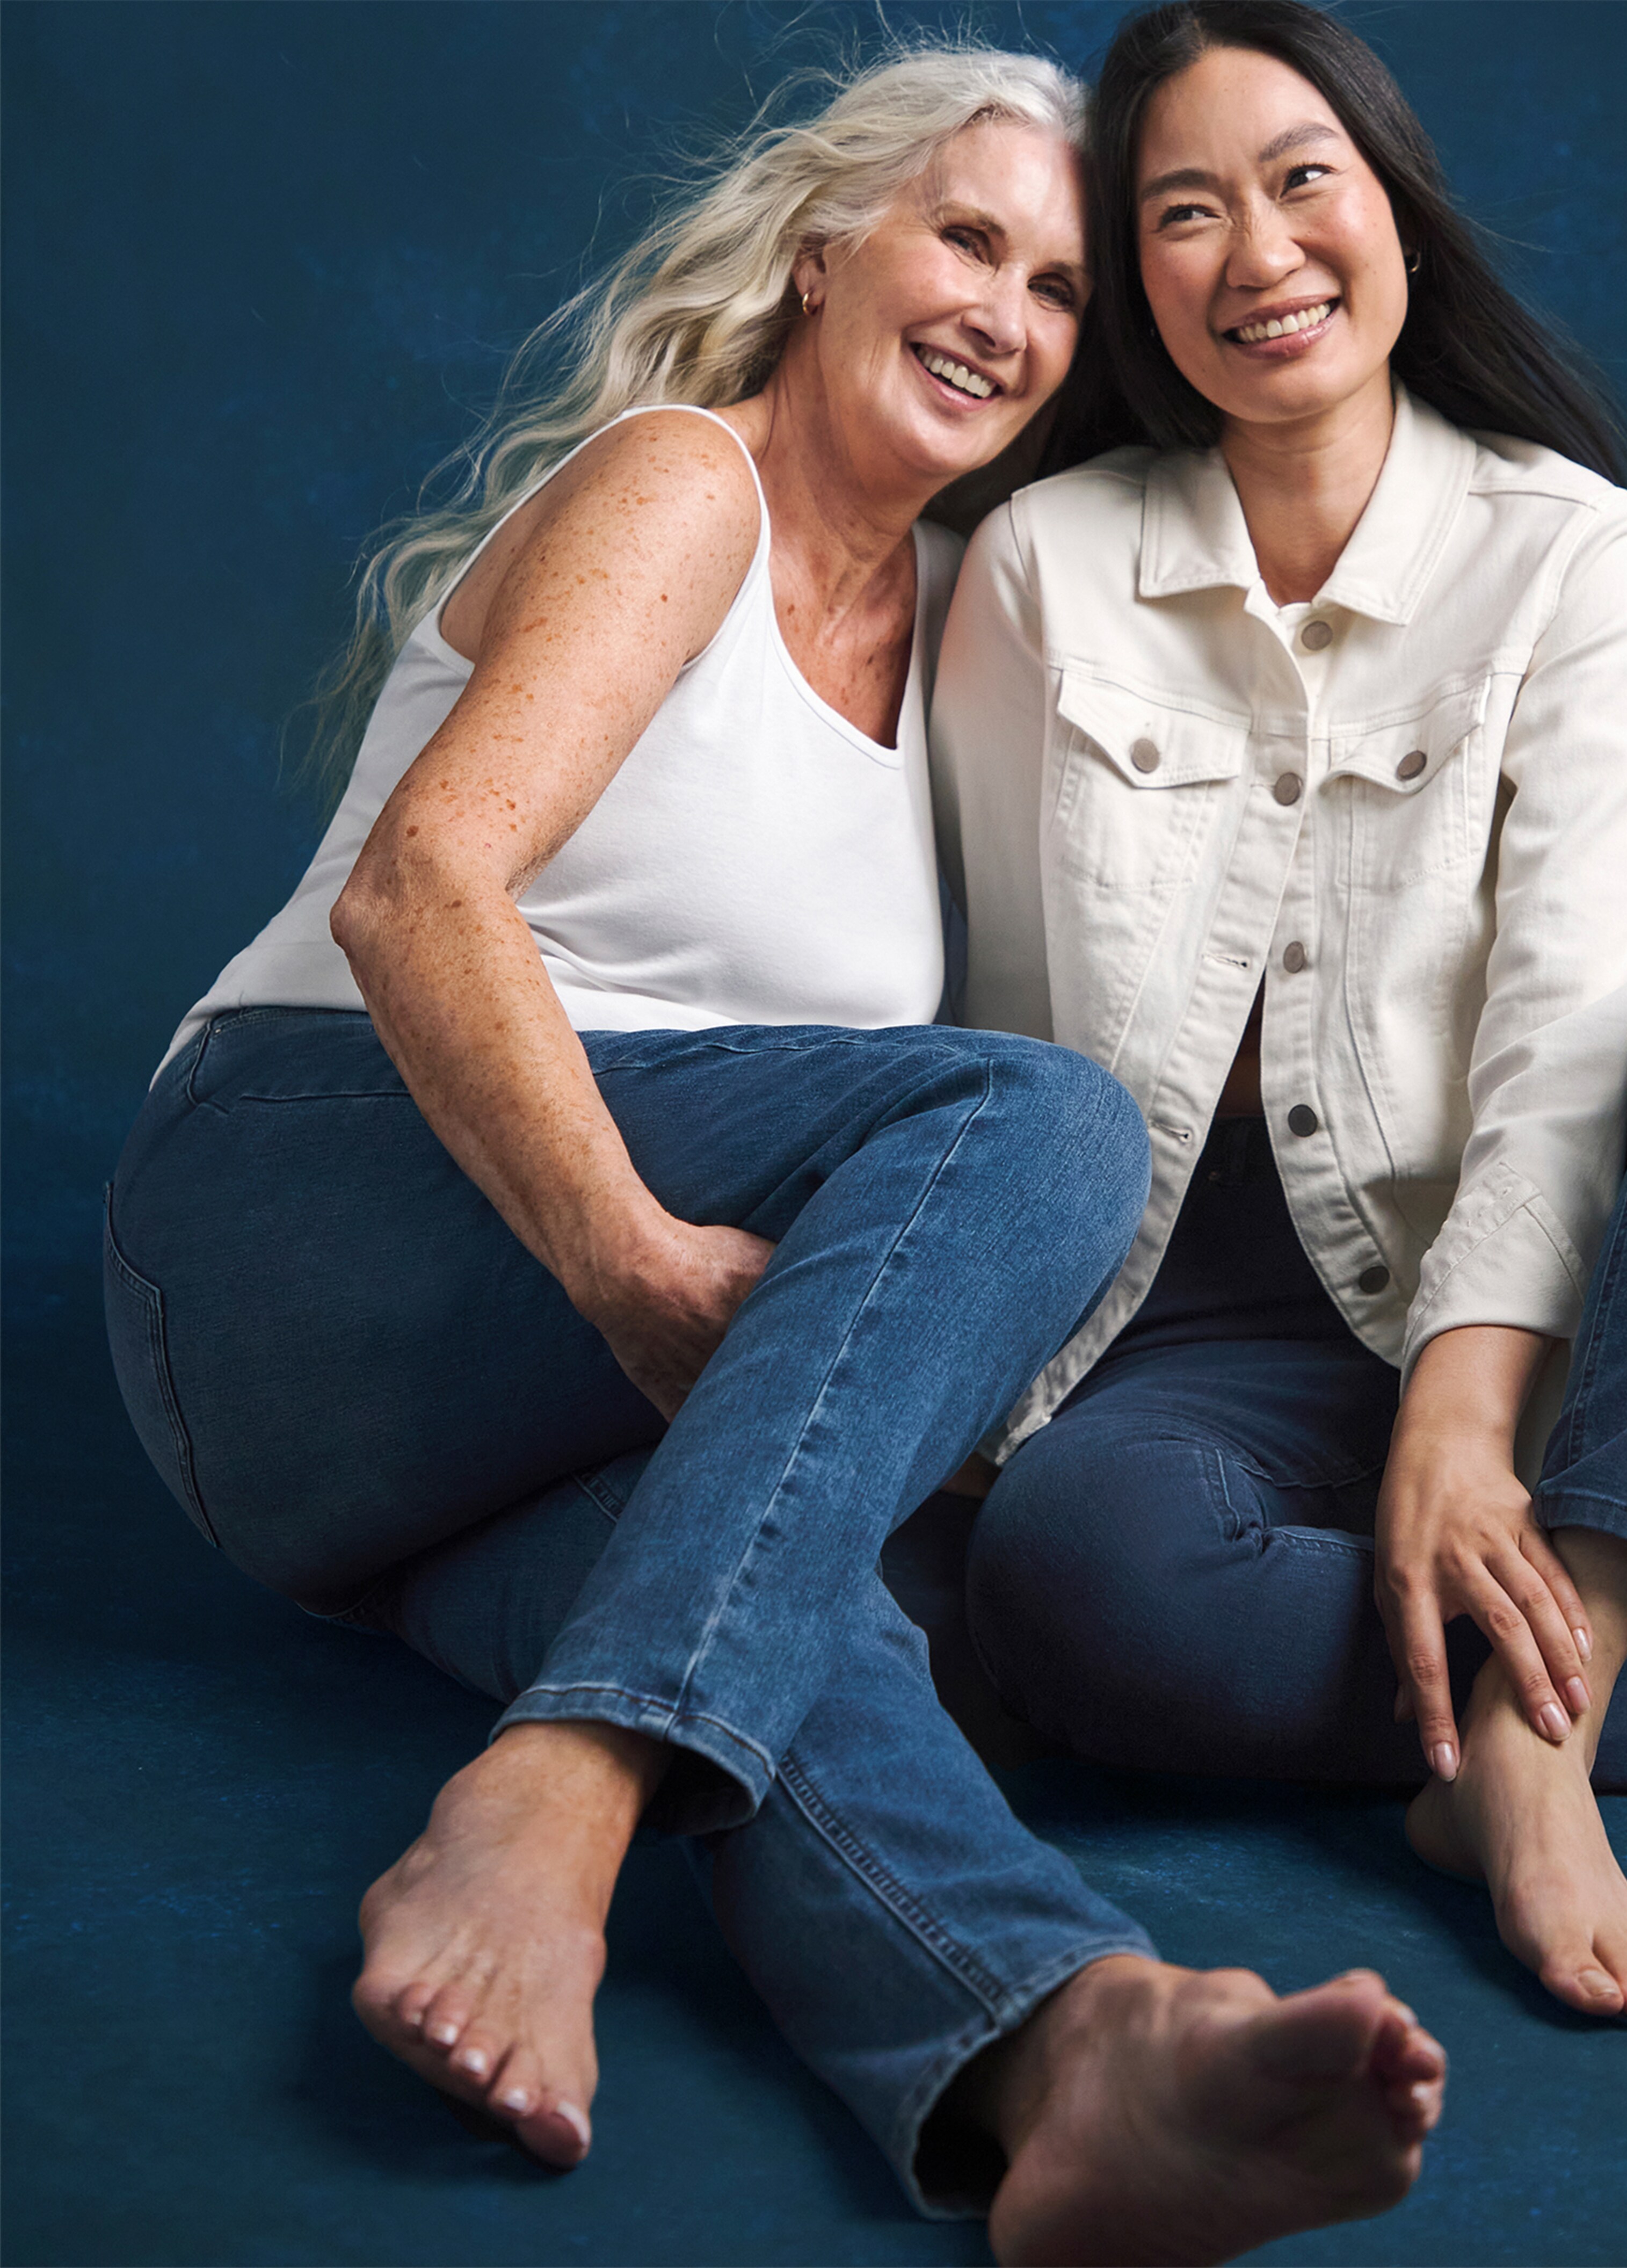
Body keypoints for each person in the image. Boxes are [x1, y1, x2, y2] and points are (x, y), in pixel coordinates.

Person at [102, 47, 1446, 2264]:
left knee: (826, 1586)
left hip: (406, 1473)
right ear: (828, 252)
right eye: (968, 240)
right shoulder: (682, 489)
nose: (1008, 313)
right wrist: (643, 1279)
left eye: (1062, 293)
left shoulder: (965, 637)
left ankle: (1061, 2042)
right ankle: (565, 1786)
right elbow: (418, 894)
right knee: (1038, 1124)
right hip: (295, 1222)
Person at [929, 0, 1627, 2031]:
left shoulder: (1574, 553)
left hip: (1582, 1369)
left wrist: (1464, 1419)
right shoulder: (1038, 567)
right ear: (1140, 291)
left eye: (1301, 183)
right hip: (1186, 1351)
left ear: (1401, 222)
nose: (1255, 252)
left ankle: (1542, 1743)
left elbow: (1576, 1023)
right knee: (1066, 1582)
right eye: (1182, 214)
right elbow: (995, 1020)